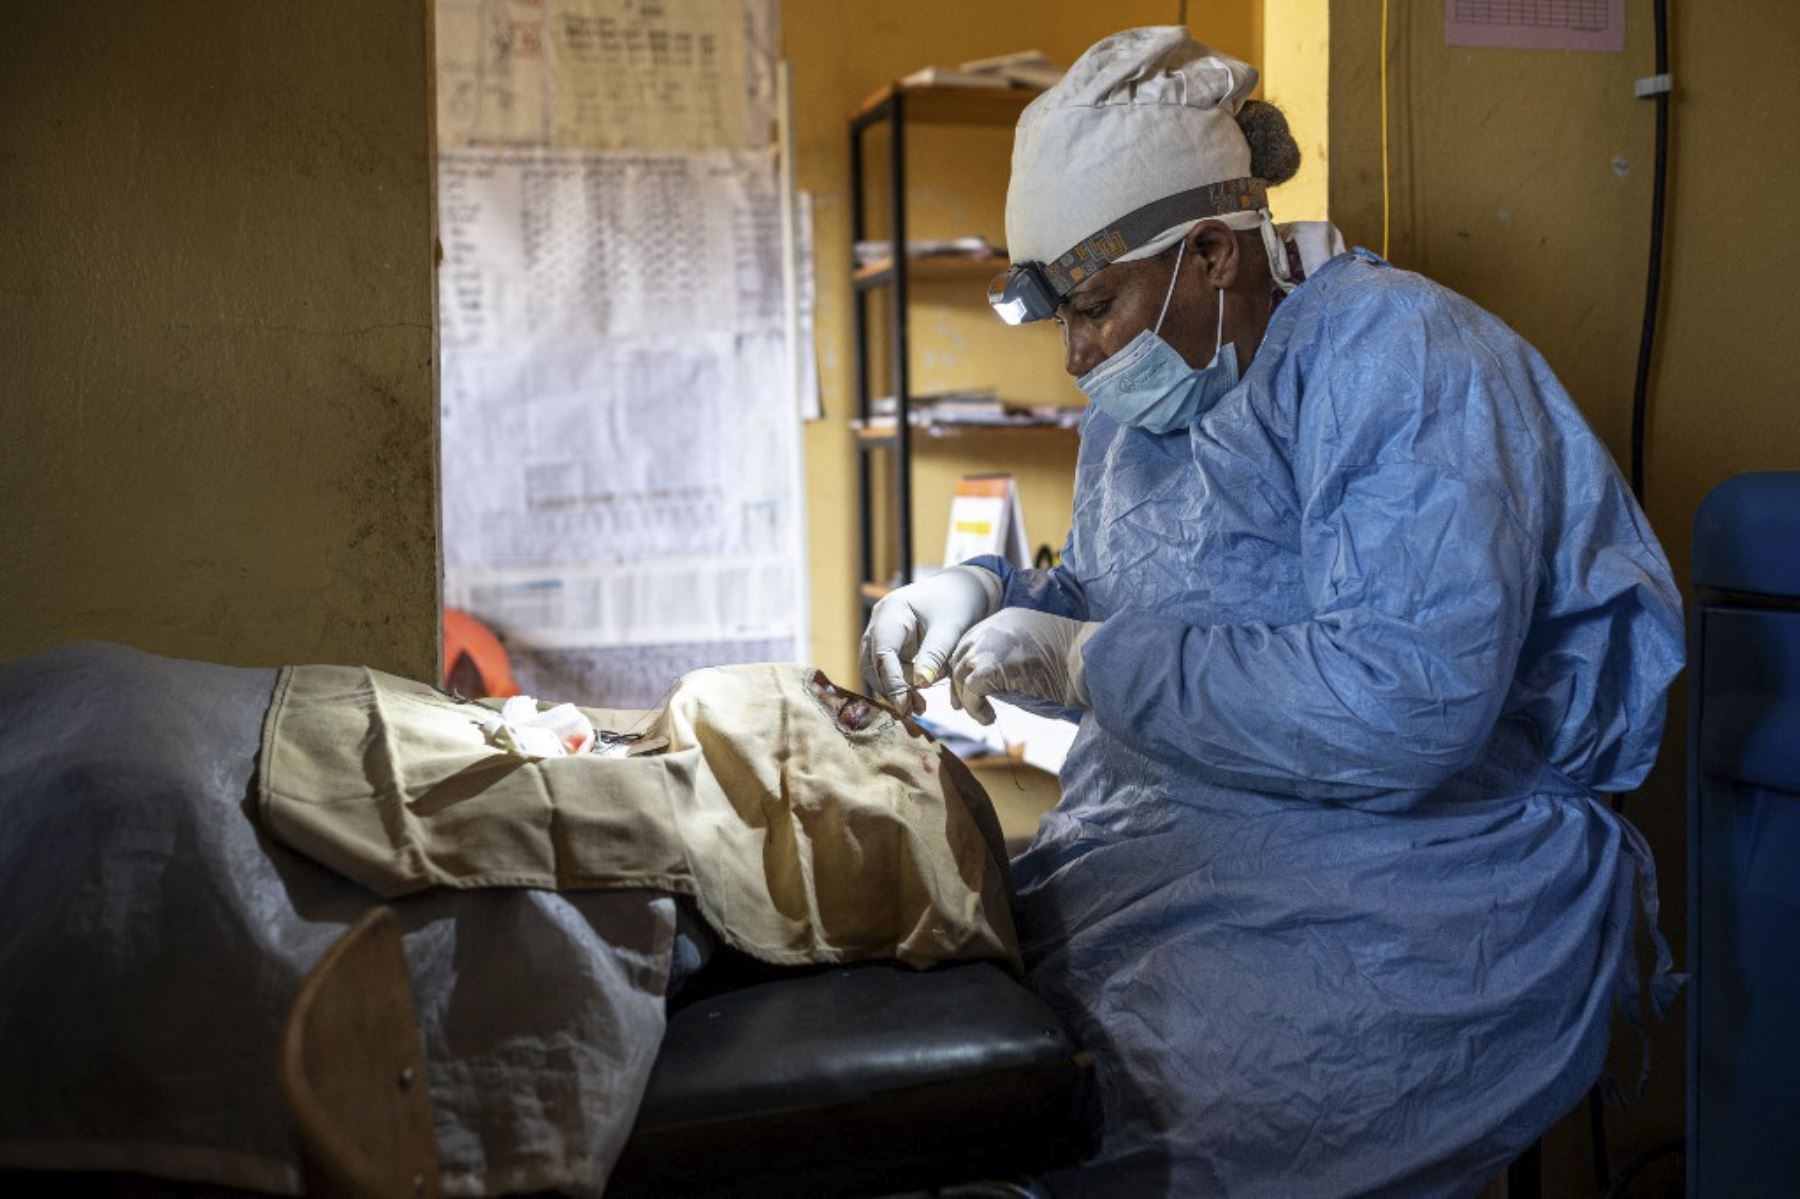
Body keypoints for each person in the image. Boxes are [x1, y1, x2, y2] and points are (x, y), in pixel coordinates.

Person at [861, 26, 1684, 1197]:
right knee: (966, 1029)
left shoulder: (1407, 365)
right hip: (1195, 836)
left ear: (1208, 255)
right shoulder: (1143, 400)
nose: (1079, 352)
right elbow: (1132, 584)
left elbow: (1404, 707)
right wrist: (992, 591)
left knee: (1118, 1114)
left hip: (1422, 871)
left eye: (1093, 304)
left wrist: (1091, 664)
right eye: (1059, 318)